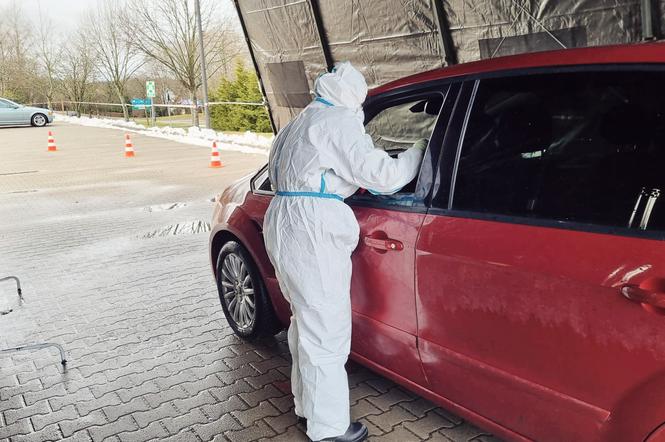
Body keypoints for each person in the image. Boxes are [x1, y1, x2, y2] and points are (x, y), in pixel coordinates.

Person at [263, 61, 426, 442]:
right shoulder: (338, 122)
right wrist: (418, 151)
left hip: (285, 221)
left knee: (305, 323)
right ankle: (330, 429)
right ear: (355, 97)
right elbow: (384, 177)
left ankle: (308, 410)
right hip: (312, 227)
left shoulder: (302, 120)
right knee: (326, 330)